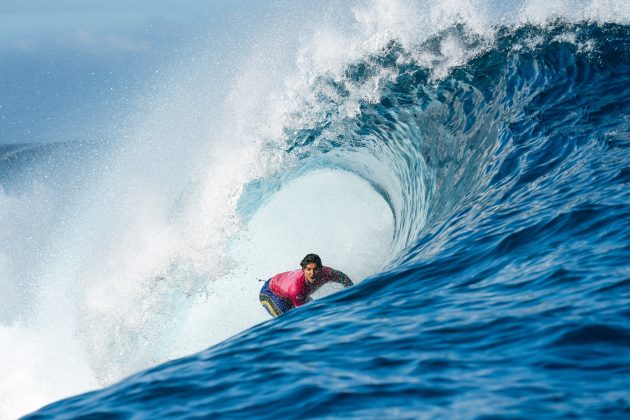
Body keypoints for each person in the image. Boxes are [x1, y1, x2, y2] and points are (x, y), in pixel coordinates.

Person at [259, 253, 353, 318]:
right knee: (290, 321)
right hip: (271, 293)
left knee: (318, 312)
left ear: (321, 268)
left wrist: (353, 296)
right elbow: (304, 316)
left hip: (291, 293)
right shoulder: (297, 288)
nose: (312, 273)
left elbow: (344, 279)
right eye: (308, 269)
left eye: (315, 269)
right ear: (303, 270)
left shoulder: (327, 273)